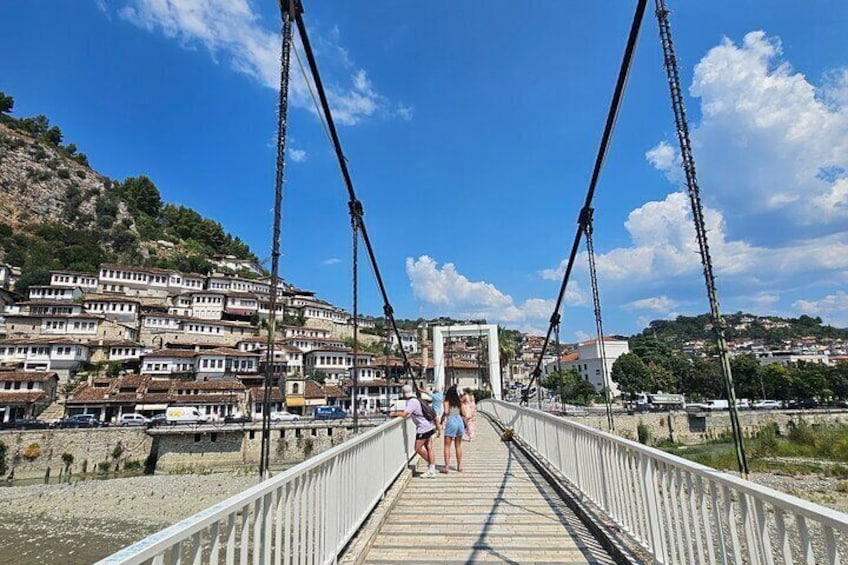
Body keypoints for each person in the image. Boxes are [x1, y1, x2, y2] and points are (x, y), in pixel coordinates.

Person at [390, 384, 436, 478]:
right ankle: (432, 469)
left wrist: (393, 413)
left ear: (404, 393)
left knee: (417, 448)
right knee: (428, 447)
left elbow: (405, 414)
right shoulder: (417, 399)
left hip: (423, 428)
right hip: (429, 425)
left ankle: (431, 466)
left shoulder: (411, 402)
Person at [440, 385, 466, 473]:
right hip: (459, 421)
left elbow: (446, 412)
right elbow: (464, 413)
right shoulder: (459, 402)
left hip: (451, 421)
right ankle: (459, 466)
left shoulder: (446, 402)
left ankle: (446, 467)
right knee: (458, 445)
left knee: (447, 446)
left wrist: (442, 417)